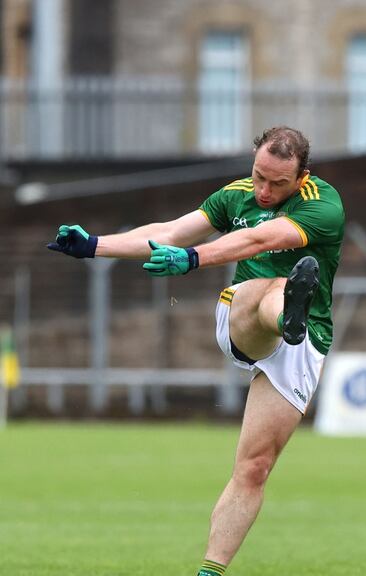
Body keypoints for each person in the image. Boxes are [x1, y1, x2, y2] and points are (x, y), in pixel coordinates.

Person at [46, 126, 345, 576]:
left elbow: (258, 240)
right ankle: (286, 316)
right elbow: (171, 231)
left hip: (306, 342)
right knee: (275, 288)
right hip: (242, 318)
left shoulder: (324, 205)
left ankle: (210, 572)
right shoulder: (236, 196)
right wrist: (94, 246)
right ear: (253, 163)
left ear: (302, 176)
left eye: (277, 183)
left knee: (255, 467)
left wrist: (193, 259)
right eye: (259, 176)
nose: (264, 190)